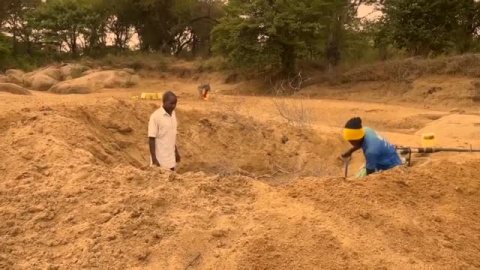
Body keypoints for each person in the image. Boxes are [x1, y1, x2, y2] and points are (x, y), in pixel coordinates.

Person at [148, 91, 181, 170]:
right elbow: (151, 139)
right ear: (164, 102)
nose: (173, 106)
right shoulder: (156, 117)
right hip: (160, 161)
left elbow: (171, 135)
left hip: (171, 159)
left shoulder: (173, 114)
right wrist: (154, 159)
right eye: (171, 103)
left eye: (175, 103)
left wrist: (176, 152)